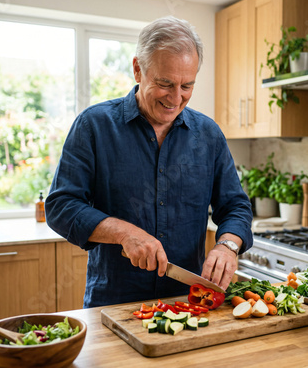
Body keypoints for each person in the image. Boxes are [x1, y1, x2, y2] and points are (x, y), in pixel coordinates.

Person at [45, 16, 253, 308]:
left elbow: (235, 206)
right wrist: (124, 232)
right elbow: (60, 206)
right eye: (165, 83)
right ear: (137, 69)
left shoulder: (209, 135)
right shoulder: (94, 126)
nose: (176, 98)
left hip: (188, 303)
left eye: (187, 86)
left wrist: (228, 246)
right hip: (113, 305)